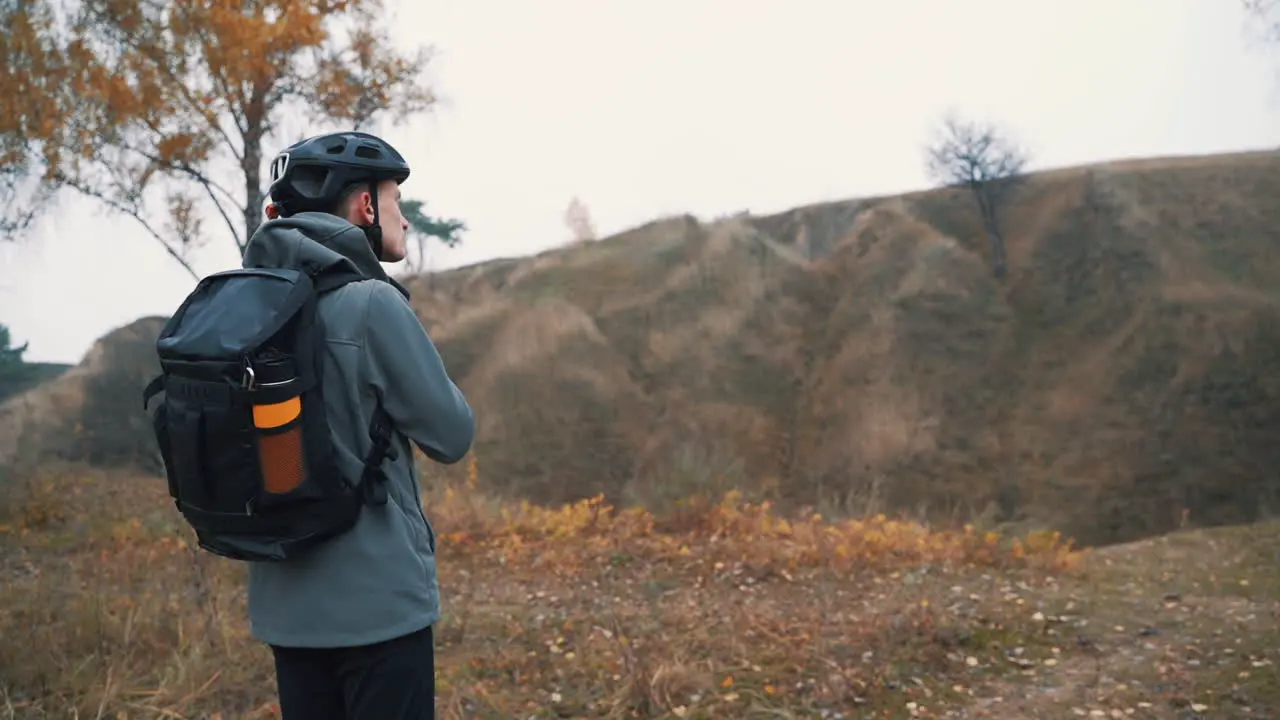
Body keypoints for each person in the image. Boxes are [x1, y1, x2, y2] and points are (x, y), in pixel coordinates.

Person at [240, 130, 475, 720]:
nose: (402, 217)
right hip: (378, 611)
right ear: (365, 206)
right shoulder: (372, 302)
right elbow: (451, 434)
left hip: (285, 608)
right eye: (395, 200)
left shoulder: (245, 307)